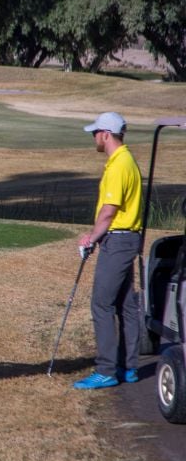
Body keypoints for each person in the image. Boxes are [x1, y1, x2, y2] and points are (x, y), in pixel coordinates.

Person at [73, 112, 143, 389]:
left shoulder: (119, 165)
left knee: (101, 304)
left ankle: (106, 370)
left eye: (95, 133)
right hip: (127, 239)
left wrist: (91, 238)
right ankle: (129, 367)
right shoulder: (125, 159)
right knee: (125, 304)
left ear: (106, 134)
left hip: (118, 240)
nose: (94, 138)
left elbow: (108, 212)